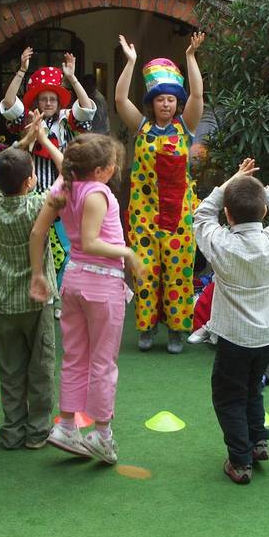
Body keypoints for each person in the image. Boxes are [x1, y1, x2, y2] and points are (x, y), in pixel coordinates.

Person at [29, 133, 142, 464]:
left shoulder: (63, 187)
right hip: (102, 285)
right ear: (103, 170)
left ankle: (66, 425)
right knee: (103, 362)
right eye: (112, 165)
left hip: (74, 282)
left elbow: (38, 233)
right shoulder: (97, 193)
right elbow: (92, 242)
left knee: (75, 357)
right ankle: (102, 435)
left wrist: (38, 273)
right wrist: (127, 252)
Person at [193, 158, 269, 485]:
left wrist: (231, 182)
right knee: (253, 388)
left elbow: (201, 214)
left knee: (228, 396)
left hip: (234, 339)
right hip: (268, 336)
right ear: (264, 211)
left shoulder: (221, 242)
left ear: (227, 214)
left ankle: (240, 459)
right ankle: (258, 441)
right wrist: (261, 188)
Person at [115, 32, 205, 354]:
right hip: (143, 214)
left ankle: (178, 330)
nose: (166, 104)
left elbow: (197, 97)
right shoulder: (140, 127)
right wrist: (131, 62)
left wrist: (191, 58)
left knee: (179, 274)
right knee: (146, 273)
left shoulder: (186, 127)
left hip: (180, 215)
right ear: (151, 103)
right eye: (160, 99)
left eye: (171, 99)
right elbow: (120, 100)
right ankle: (147, 327)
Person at [1, 48, 97, 312]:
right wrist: (21, 70)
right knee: (37, 245)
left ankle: (59, 295)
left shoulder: (67, 121)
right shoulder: (27, 122)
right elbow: (9, 103)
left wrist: (73, 78)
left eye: (52, 98)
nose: (48, 103)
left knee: (67, 249)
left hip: (63, 194)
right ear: (37, 102)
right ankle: (41, 291)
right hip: (33, 195)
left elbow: (87, 109)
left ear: (58, 101)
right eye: (43, 99)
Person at [0, 112, 60, 450]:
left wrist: (22, 143)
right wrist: (41, 139)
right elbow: (70, 179)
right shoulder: (37, 207)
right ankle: (38, 431)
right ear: (31, 181)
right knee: (41, 367)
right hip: (36, 300)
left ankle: (12, 430)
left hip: (5, 302)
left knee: (11, 368)